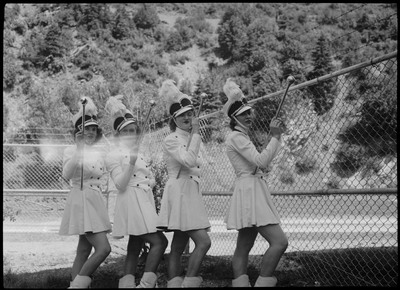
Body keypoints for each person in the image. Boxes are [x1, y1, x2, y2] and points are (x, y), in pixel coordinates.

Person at [222, 78, 289, 287]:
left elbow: (259, 164)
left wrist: (273, 138)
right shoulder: (237, 137)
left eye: (249, 112)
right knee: (279, 242)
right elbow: (261, 161)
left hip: (250, 188)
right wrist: (276, 137)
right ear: (234, 117)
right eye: (244, 114)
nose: (249, 116)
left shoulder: (240, 136)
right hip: (250, 190)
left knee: (244, 245)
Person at [105, 96, 168, 288]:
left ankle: (126, 284)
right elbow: (121, 184)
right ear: (118, 134)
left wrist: (150, 180)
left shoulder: (139, 152)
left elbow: (144, 177)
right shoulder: (113, 155)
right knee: (160, 242)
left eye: (133, 130)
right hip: (131, 201)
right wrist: (131, 162)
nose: (131, 134)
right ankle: (146, 285)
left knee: (135, 245)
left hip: (144, 200)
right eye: (126, 131)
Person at [157, 80, 211, 288]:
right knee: (204, 242)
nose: (187, 118)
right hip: (180, 191)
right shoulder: (171, 139)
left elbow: (198, 163)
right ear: (174, 119)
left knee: (178, 245)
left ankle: (174, 283)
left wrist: (195, 137)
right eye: (182, 116)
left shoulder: (190, 137)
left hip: (189, 191)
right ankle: (189, 282)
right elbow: (188, 161)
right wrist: (196, 134)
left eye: (190, 113)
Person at [59, 97, 112, 289]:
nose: (90, 132)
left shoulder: (98, 151)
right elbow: (67, 174)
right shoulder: (70, 149)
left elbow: (102, 176)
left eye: (93, 129)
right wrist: (78, 151)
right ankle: (77, 286)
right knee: (104, 248)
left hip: (94, 200)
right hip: (81, 199)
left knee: (83, 249)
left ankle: (76, 283)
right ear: (78, 131)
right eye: (86, 128)